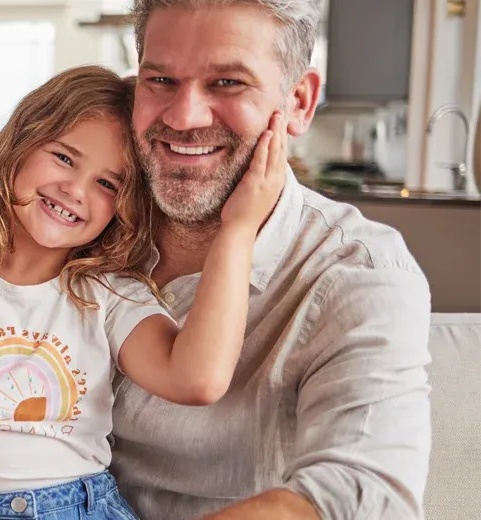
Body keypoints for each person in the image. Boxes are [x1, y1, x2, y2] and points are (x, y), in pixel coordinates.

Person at [0, 65, 286, 520]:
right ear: (20, 144)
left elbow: (196, 379)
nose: (74, 190)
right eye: (64, 158)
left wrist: (239, 230)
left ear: (125, 206)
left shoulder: (107, 295)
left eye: (107, 183)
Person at [113, 1, 433, 519]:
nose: (182, 116)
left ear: (300, 101)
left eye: (227, 83)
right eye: (161, 80)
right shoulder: (79, 227)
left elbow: (364, 493)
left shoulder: (356, 270)